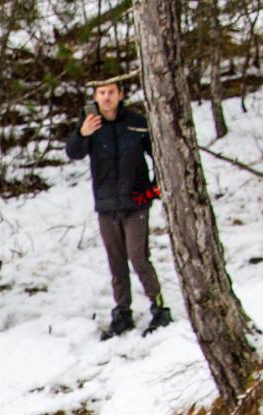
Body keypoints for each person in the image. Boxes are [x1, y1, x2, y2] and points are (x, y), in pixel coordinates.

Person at [65, 73, 173, 338]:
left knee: (138, 257)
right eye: (101, 93)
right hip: (105, 206)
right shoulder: (90, 125)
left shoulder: (136, 124)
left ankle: (158, 306)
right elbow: (73, 152)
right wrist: (82, 133)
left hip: (136, 202)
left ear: (121, 94)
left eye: (111, 92)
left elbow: (159, 153)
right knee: (116, 262)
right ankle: (122, 310)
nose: (106, 97)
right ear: (95, 97)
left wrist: (154, 187)